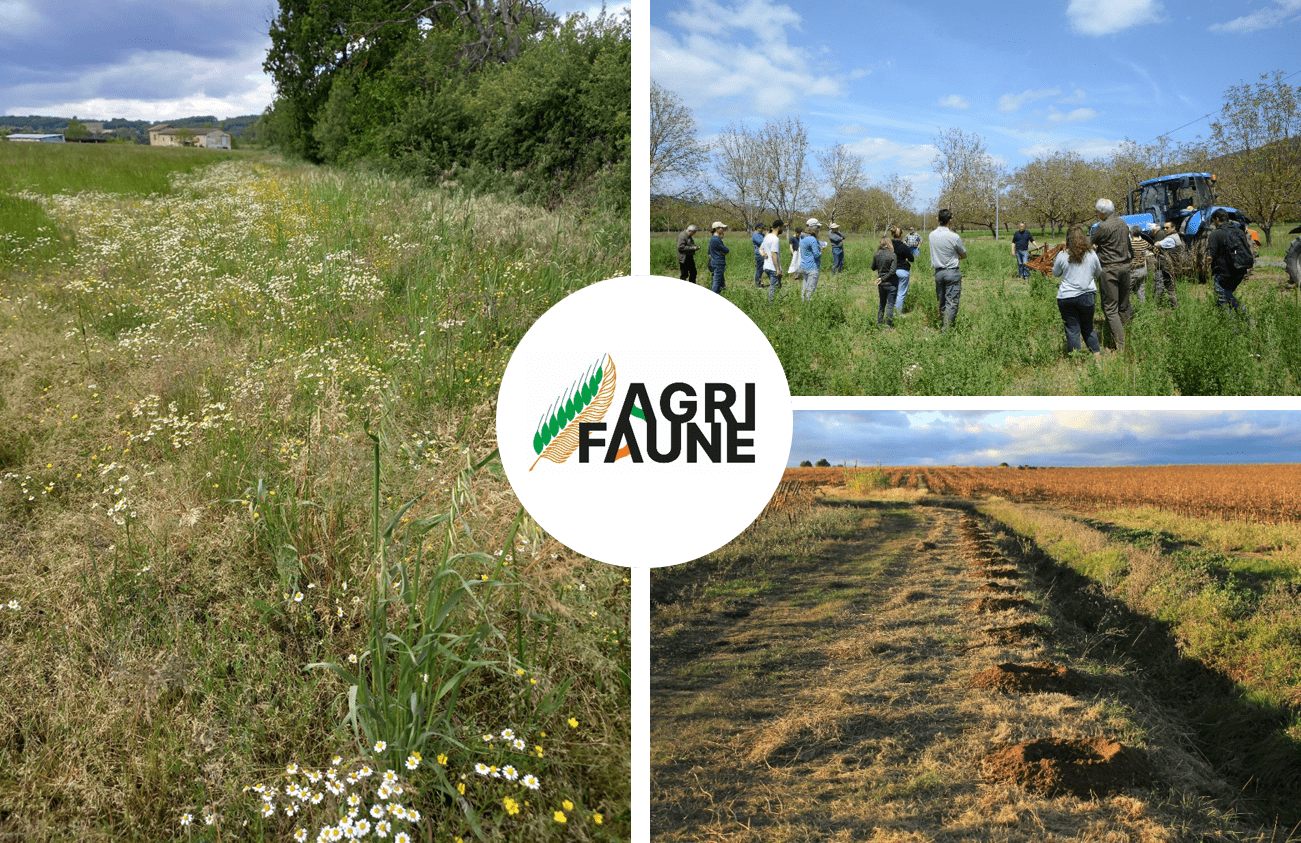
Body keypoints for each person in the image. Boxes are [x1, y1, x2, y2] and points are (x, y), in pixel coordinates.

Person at [1052, 225, 1103, 363]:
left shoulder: (1062, 255)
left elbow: (1055, 273)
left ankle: (1077, 364)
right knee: (1088, 328)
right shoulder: (1091, 254)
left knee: (1072, 331)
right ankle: (1097, 361)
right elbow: (1098, 273)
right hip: (1087, 295)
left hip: (1067, 296)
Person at [1089, 198, 1133, 352]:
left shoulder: (1102, 227)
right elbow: (1129, 245)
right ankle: (1130, 336)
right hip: (1126, 267)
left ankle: (1121, 347)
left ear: (1102, 212)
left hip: (1109, 269)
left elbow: (1089, 244)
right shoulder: (1123, 223)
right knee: (1123, 306)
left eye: (1097, 211)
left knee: (1110, 308)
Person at [1206, 208, 1253, 315]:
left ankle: (1232, 326)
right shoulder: (1239, 232)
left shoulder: (1216, 233)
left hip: (1224, 273)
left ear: (1217, 219)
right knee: (1227, 294)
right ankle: (1244, 318)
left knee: (1222, 298)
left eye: (1213, 221)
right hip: (1240, 271)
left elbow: (1210, 256)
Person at [929, 209, 967, 330]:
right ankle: (947, 330)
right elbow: (964, 254)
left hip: (938, 272)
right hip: (952, 272)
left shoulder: (931, 235)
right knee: (951, 302)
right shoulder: (954, 237)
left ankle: (943, 325)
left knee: (942, 301)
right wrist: (956, 256)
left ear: (937, 219)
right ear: (950, 221)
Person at [1151, 221, 1182, 308]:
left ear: (1173, 228)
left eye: (1167, 228)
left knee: (1169, 288)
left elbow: (1157, 244)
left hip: (1168, 266)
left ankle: (1174, 307)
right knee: (1171, 286)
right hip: (1175, 265)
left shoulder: (1170, 239)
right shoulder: (1176, 236)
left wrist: (1157, 245)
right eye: (1164, 227)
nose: (1165, 229)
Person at [872, 236, 899, 326]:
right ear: (889, 243)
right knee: (890, 305)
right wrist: (883, 278)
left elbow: (873, 267)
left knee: (882, 303)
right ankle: (888, 325)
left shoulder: (876, 254)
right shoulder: (892, 255)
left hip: (881, 284)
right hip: (891, 283)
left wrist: (881, 277)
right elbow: (892, 271)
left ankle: (879, 323)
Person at [889, 225, 913, 313]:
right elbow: (912, 259)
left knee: (892, 292)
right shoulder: (904, 246)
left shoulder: (889, 246)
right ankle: (898, 313)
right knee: (901, 293)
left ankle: (890, 312)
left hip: (891, 271)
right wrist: (905, 259)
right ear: (901, 235)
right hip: (903, 270)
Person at [759, 218, 785, 303]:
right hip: (773, 268)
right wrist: (778, 269)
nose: (783, 229)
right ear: (778, 227)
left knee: (776, 286)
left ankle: (775, 303)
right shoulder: (775, 239)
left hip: (766, 266)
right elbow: (774, 254)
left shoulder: (767, 237)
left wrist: (763, 254)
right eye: (782, 227)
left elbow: (761, 248)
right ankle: (772, 306)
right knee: (774, 288)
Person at [799, 218, 824, 300]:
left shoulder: (802, 237)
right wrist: (821, 250)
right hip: (813, 267)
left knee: (804, 288)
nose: (818, 229)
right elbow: (816, 254)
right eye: (818, 227)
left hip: (804, 266)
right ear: (813, 227)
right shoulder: (812, 239)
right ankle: (809, 309)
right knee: (810, 291)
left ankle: (803, 305)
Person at [708, 222, 729, 295]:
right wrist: (723, 252)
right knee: (716, 281)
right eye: (722, 228)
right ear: (717, 229)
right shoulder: (716, 239)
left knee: (720, 280)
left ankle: (722, 292)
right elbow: (726, 250)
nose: (723, 230)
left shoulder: (713, 238)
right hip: (718, 262)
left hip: (715, 262)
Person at [751, 223, 767, 288]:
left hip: (764, 254)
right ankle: (757, 285)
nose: (763, 229)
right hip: (759, 254)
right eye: (762, 228)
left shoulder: (762, 234)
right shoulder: (755, 235)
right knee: (759, 269)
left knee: (763, 269)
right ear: (757, 228)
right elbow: (763, 243)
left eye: (763, 228)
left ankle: (759, 283)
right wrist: (766, 236)